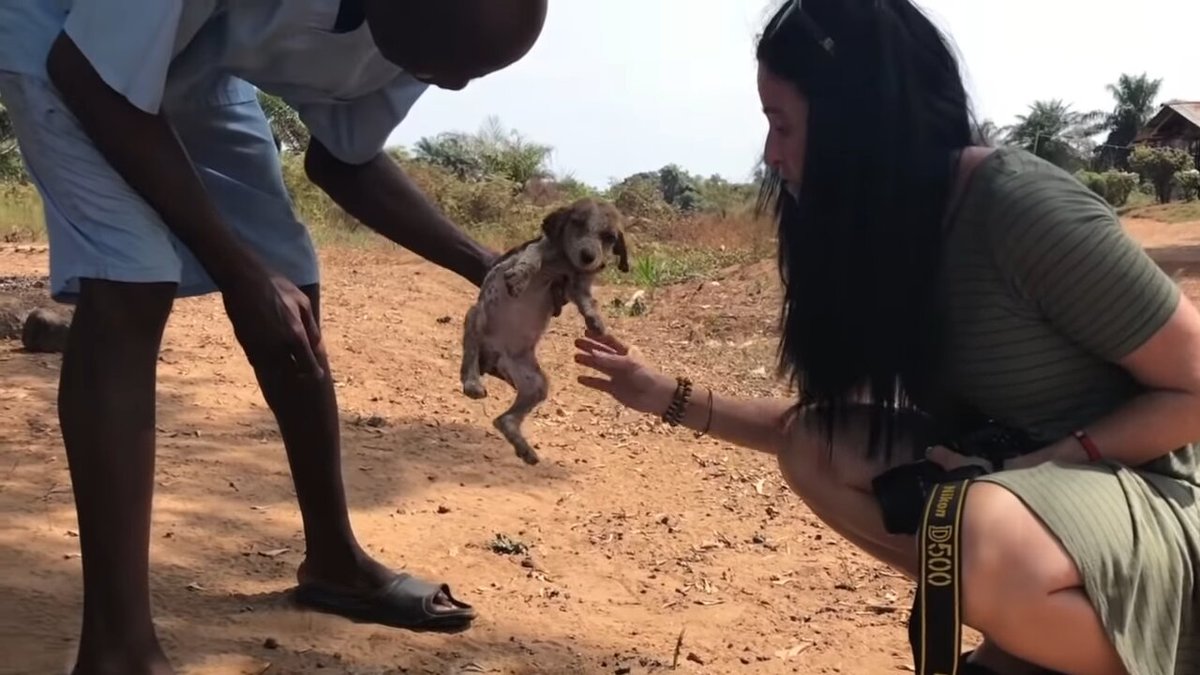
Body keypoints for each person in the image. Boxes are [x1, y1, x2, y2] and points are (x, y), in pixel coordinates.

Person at [575, 1, 1200, 674]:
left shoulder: (1020, 207)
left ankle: (1133, 645)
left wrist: (1040, 465)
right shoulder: (881, 241)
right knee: (817, 449)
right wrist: (665, 396)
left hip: (1153, 497)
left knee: (975, 530)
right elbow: (807, 427)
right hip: (1007, 494)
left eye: (782, 124)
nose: (771, 154)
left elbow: (1193, 387)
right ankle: (1037, 631)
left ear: (856, 120)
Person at [0, 1, 548, 673]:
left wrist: (489, 270)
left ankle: (334, 560)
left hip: (190, 51)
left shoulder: (425, 36)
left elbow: (344, 161)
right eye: (452, 60)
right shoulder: (427, 29)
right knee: (131, 280)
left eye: (473, 72)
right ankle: (118, 651)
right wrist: (238, 272)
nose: (456, 84)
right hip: (61, 31)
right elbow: (86, 73)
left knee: (289, 274)